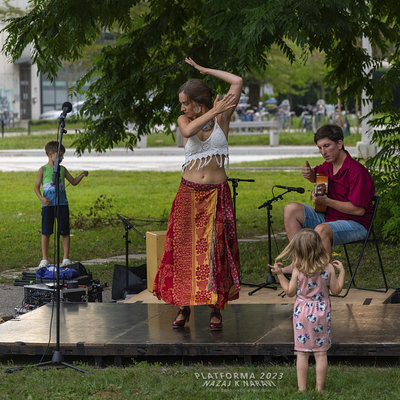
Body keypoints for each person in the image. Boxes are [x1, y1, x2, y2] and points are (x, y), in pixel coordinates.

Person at [153, 57, 242, 330]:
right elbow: (189, 130)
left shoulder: (222, 115)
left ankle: (215, 309)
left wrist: (205, 70)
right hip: (188, 194)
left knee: (215, 251)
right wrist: (212, 112)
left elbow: (237, 81)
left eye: (185, 102)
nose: (182, 107)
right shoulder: (187, 119)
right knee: (183, 251)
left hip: (216, 194)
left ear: (197, 101)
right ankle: (184, 307)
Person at [270, 228, 345, 392]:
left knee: (302, 354)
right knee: (320, 353)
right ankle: (320, 389)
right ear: (319, 247)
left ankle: (301, 389)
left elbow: (289, 292)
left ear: (298, 250)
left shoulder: (298, 270)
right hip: (321, 314)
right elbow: (337, 290)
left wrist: (280, 274)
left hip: (301, 314)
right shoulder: (328, 268)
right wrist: (342, 272)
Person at [284, 124, 375, 256]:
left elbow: (359, 210)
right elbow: (317, 176)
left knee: (321, 230)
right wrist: (310, 175)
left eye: (327, 146)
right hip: (329, 218)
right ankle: (298, 263)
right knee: (291, 209)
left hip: (357, 224)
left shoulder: (357, 171)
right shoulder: (328, 166)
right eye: (320, 148)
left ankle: (322, 276)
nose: (323, 152)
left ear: (339, 144)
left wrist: (327, 202)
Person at [34, 141, 88, 268]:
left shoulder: (63, 170)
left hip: (62, 204)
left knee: (64, 231)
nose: (62, 158)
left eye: (63, 155)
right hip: (48, 206)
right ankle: (44, 258)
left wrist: (82, 175)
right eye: (60, 155)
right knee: (46, 232)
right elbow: (36, 187)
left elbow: (73, 182)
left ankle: (65, 258)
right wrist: (42, 198)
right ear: (50, 154)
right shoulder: (43, 170)